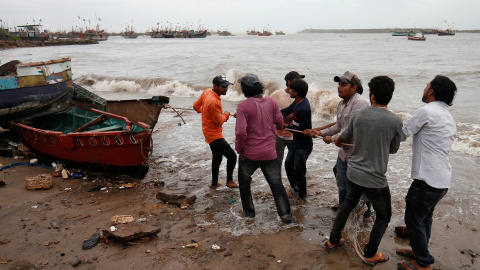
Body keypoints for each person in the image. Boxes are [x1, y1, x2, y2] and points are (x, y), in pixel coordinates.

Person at [325, 76, 403, 266]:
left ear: (372, 95)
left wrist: (335, 140)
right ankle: (370, 253)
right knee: (384, 215)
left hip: (354, 172)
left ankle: (333, 240)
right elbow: (393, 149)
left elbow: (344, 137)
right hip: (375, 178)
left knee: (348, 204)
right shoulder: (395, 121)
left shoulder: (358, 115)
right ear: (390, 96)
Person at [396, 75, 457, 270]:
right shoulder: (448, 116)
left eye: (427, 85)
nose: (425, 88)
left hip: (427, 179)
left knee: (413, 219)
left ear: (431, 91)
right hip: (442, 180)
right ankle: (418, 250)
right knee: (425, 218)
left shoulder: (426, 111)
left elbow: (402, 133)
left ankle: (423, 263)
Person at [303, 71, 373, 222]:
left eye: (343, 84)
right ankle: (344, 212)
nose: (339, 87)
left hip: (358, 156)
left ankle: (366, 216)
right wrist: (320, 132)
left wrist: (332, 138)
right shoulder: (341, 104)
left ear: (354, 88)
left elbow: (352, 131)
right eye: (339, 84)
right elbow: (339, 126)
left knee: (361, 188)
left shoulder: (360, 103)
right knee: (343, 186)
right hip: (344, 154)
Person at [235, 73, 293, 222]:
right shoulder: (272, 101)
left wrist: (239, 149)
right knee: (276, 182)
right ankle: (285, 215)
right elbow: (279, 123)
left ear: (245, 90)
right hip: (270, 151)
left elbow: (241, 132)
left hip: (250, 154)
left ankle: (249, 213)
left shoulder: (242, 106)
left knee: (244, 180)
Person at [193, 75, 238, 188]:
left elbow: (195, 106)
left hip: (207, 131)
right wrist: (226, 115)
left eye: (227, 86)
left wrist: (204, 112)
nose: (226, 89)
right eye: (223, 87)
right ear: (215, 86)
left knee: (217, 157)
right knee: (232, 156)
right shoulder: (214, 102)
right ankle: (229, 181)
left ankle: (214, 183)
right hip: (214, 134)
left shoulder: (207, 92)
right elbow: (219, 121)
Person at [270, 71, 304, 189]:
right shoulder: (276, 95)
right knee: (276, 160)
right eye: (297, 79)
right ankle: (276, 184)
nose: (300, 82)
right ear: (289, 82)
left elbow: (298, 115)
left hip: (294, 134)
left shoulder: (300, 96)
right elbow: (272, 113)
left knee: (294, 162)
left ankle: (294, 185)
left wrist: (285, 117)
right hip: (278, 134)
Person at [280, 79, 313, 201]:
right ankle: (295, 187)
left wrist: (286, 126)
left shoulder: (303, 109)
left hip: (303, 145)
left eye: (291, 89)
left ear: (296, 92)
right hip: (295, 142)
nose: (289, 90)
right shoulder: (298, 102)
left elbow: (303, 130)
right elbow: (287, 111)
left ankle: (303, 195)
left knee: (299, 170)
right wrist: (273, 114)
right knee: (288, 164)